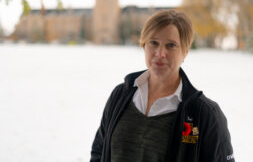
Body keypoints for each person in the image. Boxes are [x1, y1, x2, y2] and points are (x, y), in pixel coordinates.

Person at [90, 10, 235, 162]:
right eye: (153, 43)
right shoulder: (120, 95)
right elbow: (99, 151)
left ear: (185, 51)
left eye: (171, 45)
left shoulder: (204, 113)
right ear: (143, 45)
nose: (160, 53)